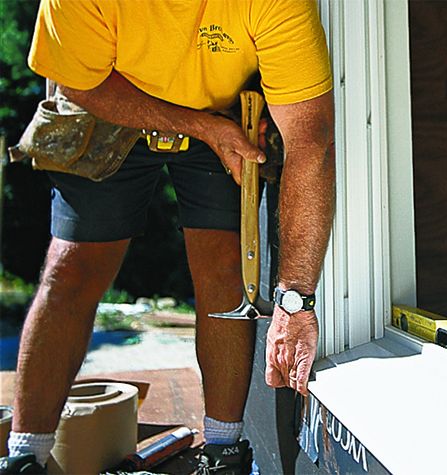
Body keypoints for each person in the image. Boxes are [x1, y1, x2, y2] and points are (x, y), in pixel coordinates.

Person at [0, 0, 335, 473]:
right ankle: (24, 456)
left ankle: (224, 451)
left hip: (220, 108)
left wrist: (295, 300)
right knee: (72, 267)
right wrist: (200, 127)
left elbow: (311, 139)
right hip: (109, 101)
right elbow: (81, 81)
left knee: (224, 271)